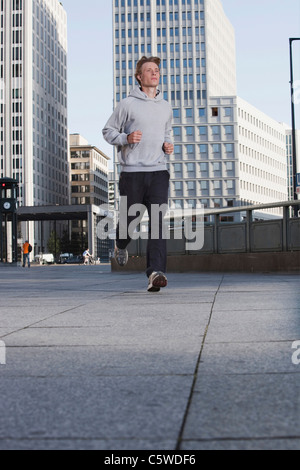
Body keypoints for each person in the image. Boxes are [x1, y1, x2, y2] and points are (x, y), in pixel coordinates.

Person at [103, 56, 174, 292]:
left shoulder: (165, 106)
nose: (154, 73)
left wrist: (168, 145)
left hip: (158, 172)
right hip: (132, 173)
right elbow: (108, 130)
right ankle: (121, 244)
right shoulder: (127, 104)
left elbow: (168, 133)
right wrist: (125, 138)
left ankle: (155, 272)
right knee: (130, 222)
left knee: (157, 223)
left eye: (156, 70)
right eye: (149, 70)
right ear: (139, 77)